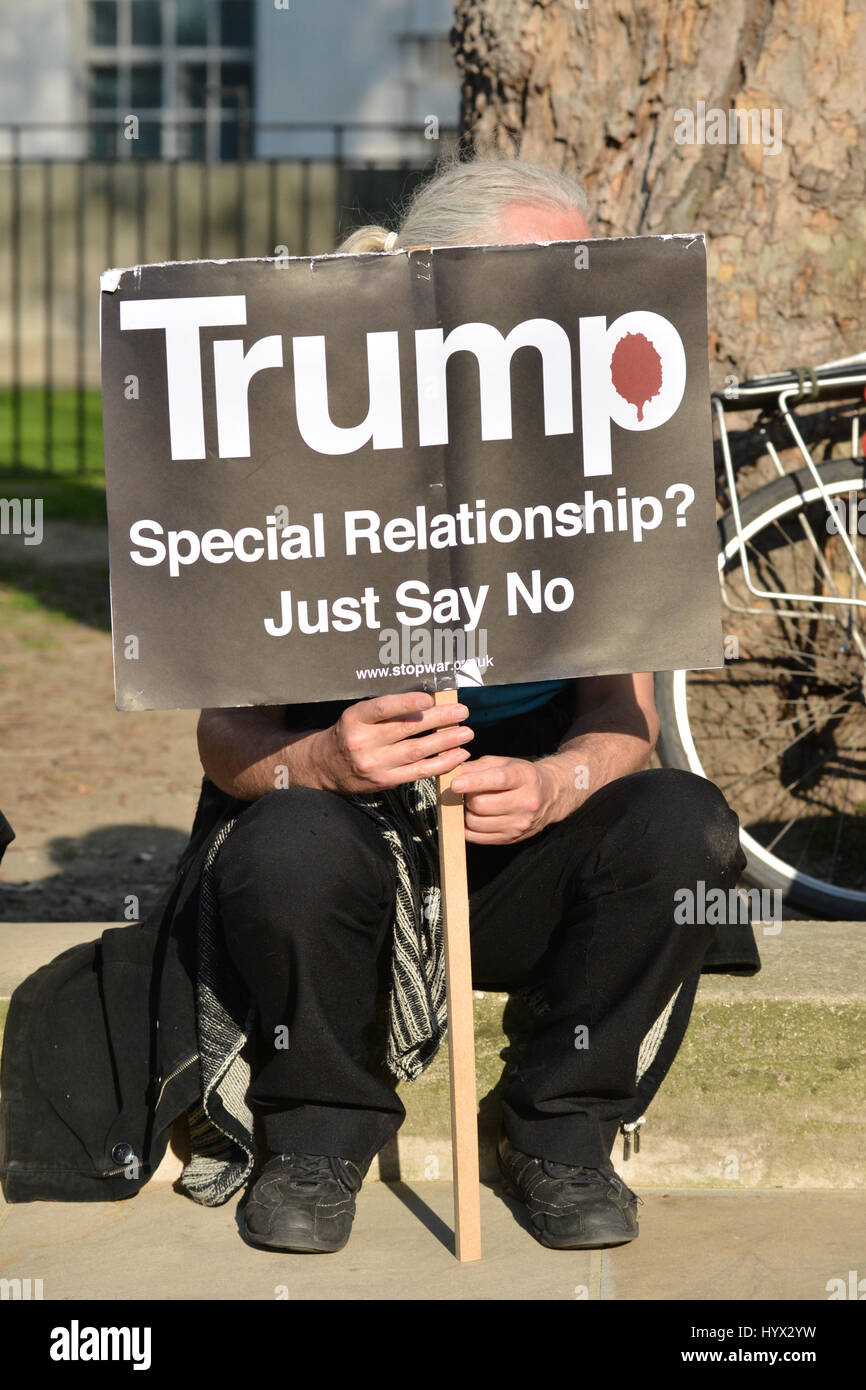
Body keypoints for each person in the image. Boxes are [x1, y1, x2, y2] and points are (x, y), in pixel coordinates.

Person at [196, 157, 747, 1254]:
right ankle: (316, 1132)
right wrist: (323, 761)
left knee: (685, 825)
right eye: (538, 272)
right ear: (431, 281)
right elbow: (226, 744)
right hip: (346, 871)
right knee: (288, 840)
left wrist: (555, 782)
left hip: (514, 862)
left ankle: (557, 1127)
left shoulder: (606, 451)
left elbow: (621, 719)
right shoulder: (289, 444)